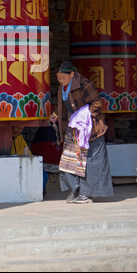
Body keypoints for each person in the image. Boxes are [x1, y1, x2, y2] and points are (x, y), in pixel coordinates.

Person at [49, 61, 114, 204]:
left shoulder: (85, 84)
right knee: (70, 159)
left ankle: (87, 194)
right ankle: (75, 191)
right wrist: (56, 114)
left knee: (91, 161)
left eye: (63, 78)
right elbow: (64, 106)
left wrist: (84, 115)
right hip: (73, 128)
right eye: (58, 78)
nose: (61, 81)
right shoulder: (63, 87)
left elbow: (97, 102)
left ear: (72, 74)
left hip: (91, 129)